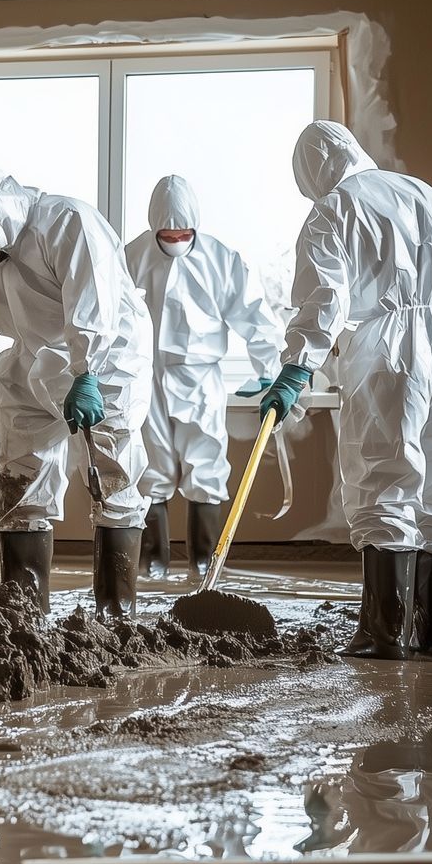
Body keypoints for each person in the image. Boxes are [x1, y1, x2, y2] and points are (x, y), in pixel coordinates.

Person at [254, 121, 432, 659]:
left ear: (314, 172)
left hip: (391, 350)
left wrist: (296, 368)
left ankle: (385, 635)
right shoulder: (426, 193)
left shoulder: (337, 206)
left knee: (385, 481)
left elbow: (322, 299)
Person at [0, 167, 154, 616]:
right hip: (33, 357)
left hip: (107, 356)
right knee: (21, 469)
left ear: (2, 225)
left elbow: (95, 305)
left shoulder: (66, 223)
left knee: (111, 471)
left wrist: (87, 373)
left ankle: (115, 606)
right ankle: (24, 605)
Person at [123, 175, 287, 579]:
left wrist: (270, 373)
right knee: (150, 466)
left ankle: (203, 560)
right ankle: (152, 561)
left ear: (196, 226)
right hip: (147, 377)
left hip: (202, 379)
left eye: (183, 233)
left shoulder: (220, 260)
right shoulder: (131, 257)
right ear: (153, 227)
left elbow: (254, 317)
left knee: (207, 463)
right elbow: (111, 316)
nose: (176, 239)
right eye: (167, 233)